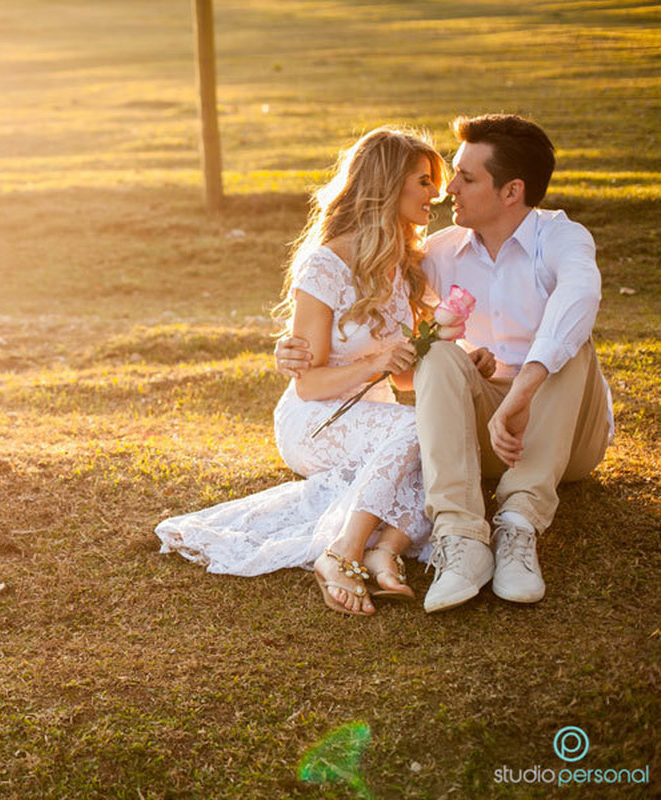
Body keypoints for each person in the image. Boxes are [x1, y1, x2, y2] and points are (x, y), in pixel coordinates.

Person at [275, 115, 614, 613]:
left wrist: (513, 391)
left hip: (564, 433)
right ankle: (456, 541)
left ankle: (518, 524)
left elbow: (578, 302)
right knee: (434, 369)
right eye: (434, 178)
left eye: (464, 178)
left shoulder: (560, 239)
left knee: (568, 342)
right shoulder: (432, 254)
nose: (444, 190)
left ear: (511, 191)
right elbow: (370, 335)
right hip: (465, 429)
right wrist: (289, 348)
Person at [156, 127, 447, 615]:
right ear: (389, 184)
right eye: (423, 181)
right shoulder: (326, 265)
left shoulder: (407, 266)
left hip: (374, 418)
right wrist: (375, 359)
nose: (433, 194)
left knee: (435, 443)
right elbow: (308, 383)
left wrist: (438, 357)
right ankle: (343, 553)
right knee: (418, 432)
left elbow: (402, 383)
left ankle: (385, 549)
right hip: (315, 421)